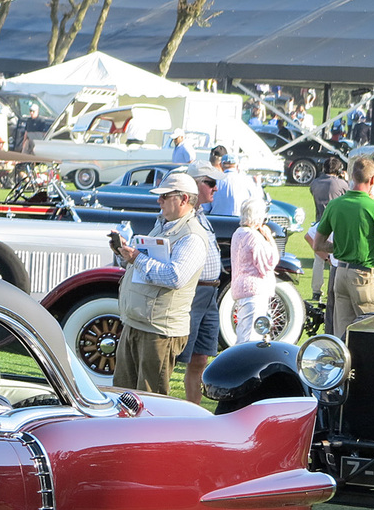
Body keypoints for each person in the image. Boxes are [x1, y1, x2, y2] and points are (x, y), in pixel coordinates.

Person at [108, 172, 210, 396]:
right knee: (122, 394)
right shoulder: (165, 225)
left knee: (150, 398)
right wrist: (123, 253)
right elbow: (141, 268)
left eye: (165, 196)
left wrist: (137, 257)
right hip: (137, 322)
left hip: (160, 331)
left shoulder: (192, 236)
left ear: (184, 199)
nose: (159, 201)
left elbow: (175, 277)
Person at [313, 153, 374, 337]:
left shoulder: (335, 204)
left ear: (352, 177)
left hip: (341, 274)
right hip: (363, 275)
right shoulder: (373, 207)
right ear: (373, 179)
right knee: (372, 331)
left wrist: (338, 248)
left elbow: (318, 244)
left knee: (342, 335)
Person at [174, 163, 226, 403]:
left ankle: (193, 413)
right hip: (193, 293)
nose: (215, 188)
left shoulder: (201, 215)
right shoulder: (183, 215)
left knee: (201, 358)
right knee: (175, 356)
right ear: (195, 184)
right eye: (211, 183)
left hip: (210, 293)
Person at [230, 197, 280, 343]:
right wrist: (269, 238)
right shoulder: (253, 236)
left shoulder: (238, 233)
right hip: (254, 290)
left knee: (243, 331)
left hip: (240, 288)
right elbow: (269, 263)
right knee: (250, 337)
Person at [308, 157, 349, 301]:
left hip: (320, 222)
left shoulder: (315, 183)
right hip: (336, 223)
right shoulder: (341, 183)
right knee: (335, 259)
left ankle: (316, 291)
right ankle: (333, 287)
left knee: (318, 259)